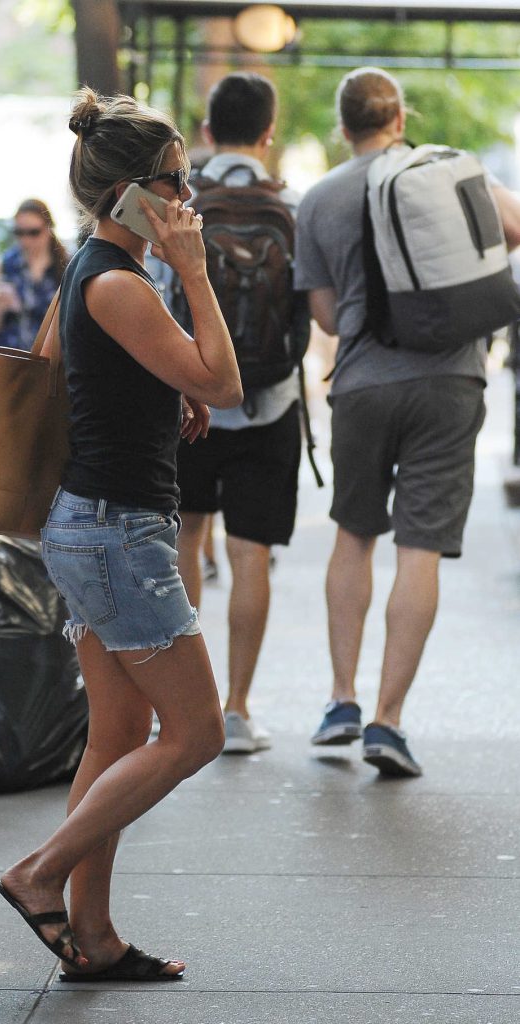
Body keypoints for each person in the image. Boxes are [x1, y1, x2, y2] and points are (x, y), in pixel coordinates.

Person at [0, 88, 242, 981]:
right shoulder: (118, 280)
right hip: (116, 533)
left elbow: (69, 370)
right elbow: (223, 381)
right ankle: (38, 874)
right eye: (177, 182)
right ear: (134, 191)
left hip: (93, 524)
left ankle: (92, 940)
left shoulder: (93, 270)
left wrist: (152, 388)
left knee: (115, 736)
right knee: (196, 733)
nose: (189, 200)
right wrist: (199, 274)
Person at [295, 67, 520, 777]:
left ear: (343, 124)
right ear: (401, 115)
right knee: (419, 549)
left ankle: (341, 699)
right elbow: (513, 227)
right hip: (451, 380)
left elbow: (326, 316)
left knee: (354, 533)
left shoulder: (321, 197)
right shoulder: (448, 172)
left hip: (363, 383)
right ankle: (388, 722)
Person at [174, 73, 303, 754]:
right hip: (269, 404)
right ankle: (236, 711)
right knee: (250, 553)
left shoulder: (184, 204)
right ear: (267, 132)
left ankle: (182, 705)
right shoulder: (291, 209)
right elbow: (311, 310)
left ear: (205, 131)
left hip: (188, 401)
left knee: (186, 541)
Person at [0, 198, 68, 350]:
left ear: (49, 229)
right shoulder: (2, 266)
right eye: (19, 232)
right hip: (6, 360)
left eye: (34, 232)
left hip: (48, 363)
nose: (26, 240)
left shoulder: (65, 266)